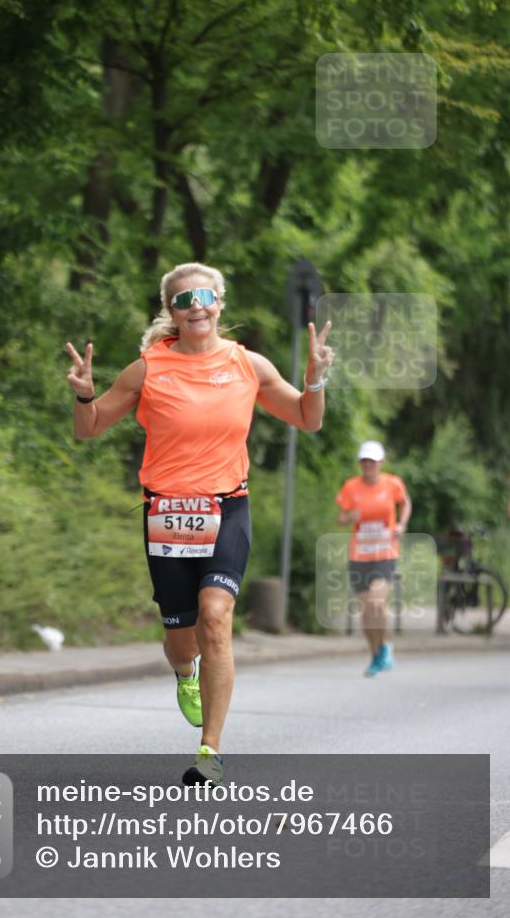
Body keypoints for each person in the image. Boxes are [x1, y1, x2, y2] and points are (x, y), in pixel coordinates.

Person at [66, 262, 334, 783]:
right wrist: (82, 394)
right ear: (171, 311)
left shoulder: (247, 365)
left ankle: (209, 752)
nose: (197, 306)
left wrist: (315, 378)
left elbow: (308, 417)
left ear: (220, 304)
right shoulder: (146, 369)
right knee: (181, 638)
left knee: (215, 616)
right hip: (166, 513)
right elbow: (89, 428)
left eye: (205, 296)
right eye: (185, 300)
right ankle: (185, 674)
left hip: (226, 507)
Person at [335, 441, 411, 677]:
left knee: (377, 603)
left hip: (385, 552)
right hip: (359, 555)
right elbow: (340, 517)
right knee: (366, 611)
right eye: (364, 461)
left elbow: (405, 502)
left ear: (381, 463)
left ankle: (385, 647)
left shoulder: (392, 484)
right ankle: (376, 653)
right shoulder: (351, 487)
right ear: (360, 463)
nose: (368, 465)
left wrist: (401, 523)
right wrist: (349, 517)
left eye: (373, 461)